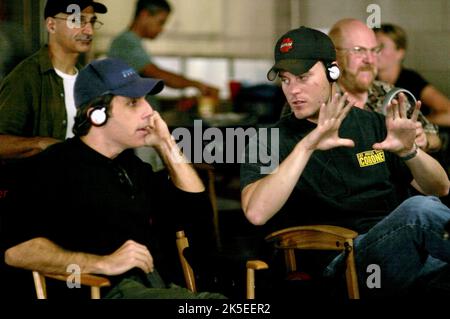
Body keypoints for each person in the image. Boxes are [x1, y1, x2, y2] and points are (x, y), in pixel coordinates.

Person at [240, 26, 450, 297]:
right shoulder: (269, 138)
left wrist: (410, 152)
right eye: (286, 79)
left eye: (303, 77)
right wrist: (308, 145)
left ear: (332, 72)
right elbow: (256, 213)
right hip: (340, 264)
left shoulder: (373, 125)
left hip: (400, 252)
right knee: (419, 211)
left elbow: (441, 188)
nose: (293, 90)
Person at [2, 58, 223, 299]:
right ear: (96, 114)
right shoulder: (52, 167)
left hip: (156, 288)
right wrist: (103, 263)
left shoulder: (134, 168)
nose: (149, 111)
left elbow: (196, 216)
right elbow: (16, 250)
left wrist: (165, 143)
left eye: (145, 101)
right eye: (132, 103)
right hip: (103, 291)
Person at [0, 0, 107, 160]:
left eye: (92, 21)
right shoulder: (26, 77)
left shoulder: (90, 82)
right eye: (77, 21)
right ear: (51, 25)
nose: (89, 31)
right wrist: (42, 144)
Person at [328, 19, 442, 153]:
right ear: (334, 55)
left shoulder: (387, 92)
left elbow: (435, 137)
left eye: (374, 50)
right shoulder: (325, 100)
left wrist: (424, 140)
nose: (370, 60)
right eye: (358, 50)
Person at [108, 0, 218, 100]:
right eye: (161, 22)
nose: (162, 29)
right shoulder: (126, 42)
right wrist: (197, 85)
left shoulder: (133, 42)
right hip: (137, 117)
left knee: (194, 121)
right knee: (196, 122)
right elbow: (159, 75)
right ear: (144, 15)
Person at [374, 23, 450, 128]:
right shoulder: (368, 80)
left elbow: (448, 113)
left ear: (400, 53)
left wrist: (417, 122)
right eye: (373, 46)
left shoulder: (411, 80)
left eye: (381, 46)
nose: (374, 52)